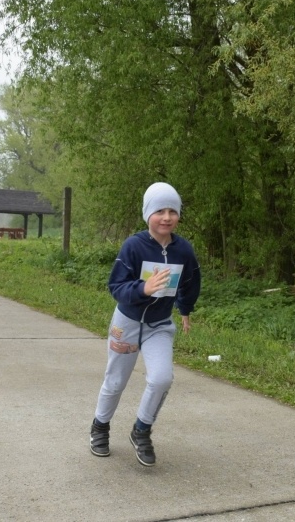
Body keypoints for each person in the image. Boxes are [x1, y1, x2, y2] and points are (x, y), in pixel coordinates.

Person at [90, 182, 201, 466]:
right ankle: (100, 427)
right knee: (115, 382)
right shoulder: (133, 246)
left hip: (159, 325)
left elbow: (191, 281)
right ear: (148, 214)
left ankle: (141, 430)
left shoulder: (183, 251)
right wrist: (143, 289)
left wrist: (185, 309)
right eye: (159, 211)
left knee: (162, 378)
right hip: (127, 324)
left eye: (172, 211)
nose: (166, 217)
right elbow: (116, 286)